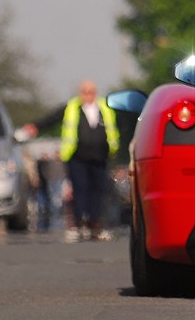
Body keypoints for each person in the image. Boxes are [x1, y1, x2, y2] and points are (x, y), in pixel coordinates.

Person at [20, 80, 120, 242]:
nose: (88, 95)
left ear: (95, 93)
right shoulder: (72, 107)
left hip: (100, 156)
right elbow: (51, 119)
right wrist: (35, 126)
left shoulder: (105, 108)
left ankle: (94, 221)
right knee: (80, 188)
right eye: (85, 92)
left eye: (91, 92)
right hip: (77, 157)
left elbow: (118, 125)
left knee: (98, 188)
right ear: (80, 93)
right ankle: (80, 219)